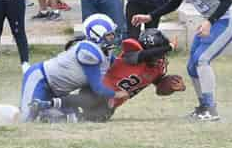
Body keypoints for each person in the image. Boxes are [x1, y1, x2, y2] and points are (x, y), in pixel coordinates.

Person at [132, 0, 232, 121]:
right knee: (192, 66)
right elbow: (174, 3)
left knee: (202, 60)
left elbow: (226, 1)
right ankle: (203, 106)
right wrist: (150, 17)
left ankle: (211, 109)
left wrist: (209, 21)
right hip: (211, 21)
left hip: (224, 21)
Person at [0, 14, 127, 123]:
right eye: (109, 35)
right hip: (41, 79)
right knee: (25, 118)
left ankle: (30, 110)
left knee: (60, 118)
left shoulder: (104, 52)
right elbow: (98, 87)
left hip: (57, 89)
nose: (113, 38)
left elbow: (119, 64)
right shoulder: (89, 52)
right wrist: (117, 93)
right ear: (96, 35)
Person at [29, 29, 183, 123]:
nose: (159, 57)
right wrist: (167, 48)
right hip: (99, 89)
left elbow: (159, 87)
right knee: (88, 100)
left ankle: (56, 115)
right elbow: (143, 55)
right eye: (158, 52)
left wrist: (170, 86)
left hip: (111, 103)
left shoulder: (158, 65)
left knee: (95, 118)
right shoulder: (133, 52)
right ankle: (45, 104)